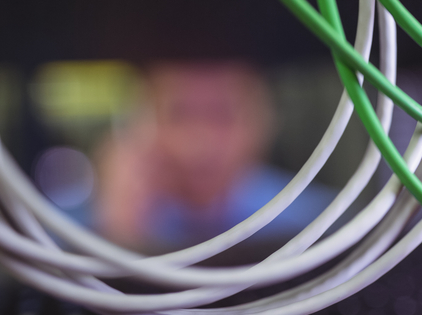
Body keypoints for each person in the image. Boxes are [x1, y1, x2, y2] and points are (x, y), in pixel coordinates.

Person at [95, 61, 331, 256]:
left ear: (263, 121)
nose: (201, 142)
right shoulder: (93, 226)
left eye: (222, 113)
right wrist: (121, 228)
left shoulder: (319, 221)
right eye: (179, 113)